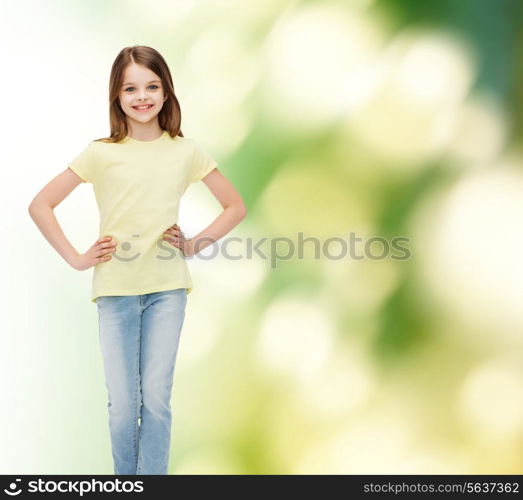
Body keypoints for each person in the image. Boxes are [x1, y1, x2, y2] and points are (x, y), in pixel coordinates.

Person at [28, 45, 247, 475]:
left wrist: (193, 244)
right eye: (131, 88)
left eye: (152, 86)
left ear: (166, 93)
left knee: (157, 401)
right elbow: (41, 205)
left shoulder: (186, 151)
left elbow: (234, 206)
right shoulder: (99, 152)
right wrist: (76, 257)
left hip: (167, 289)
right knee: (123, 407)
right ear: (117, 95)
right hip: (115, 292)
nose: (141, 96)